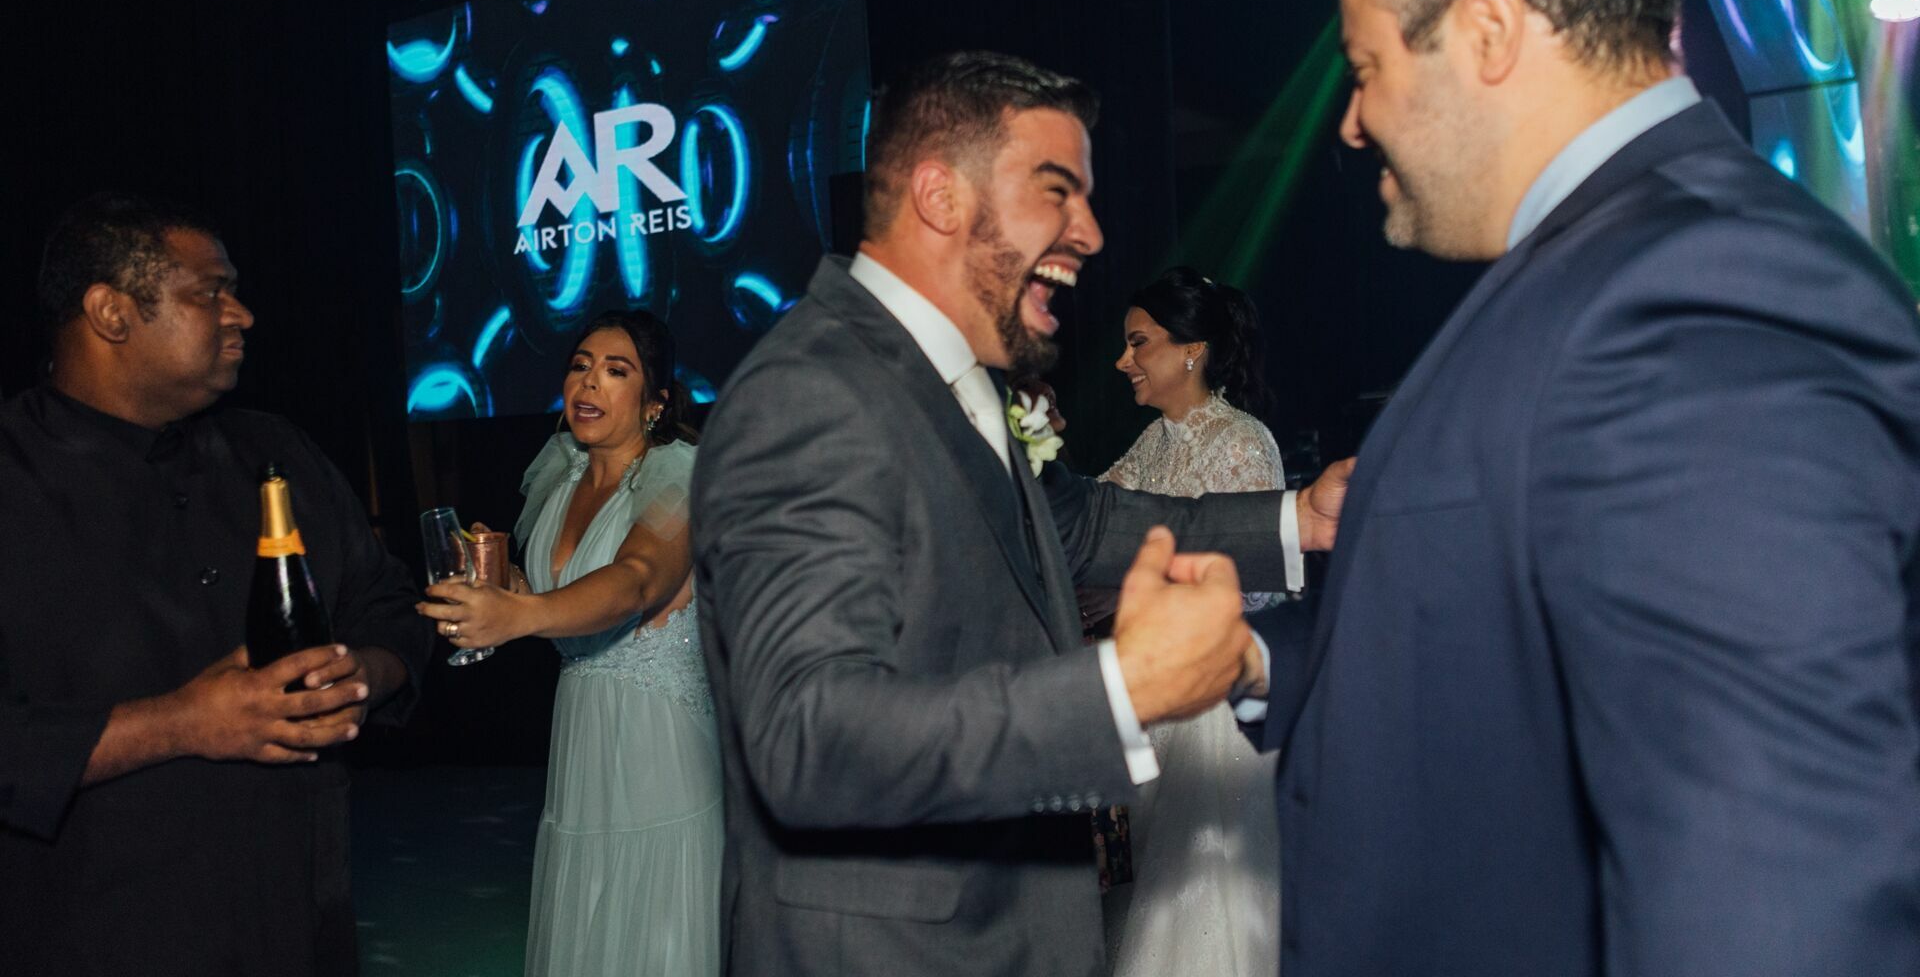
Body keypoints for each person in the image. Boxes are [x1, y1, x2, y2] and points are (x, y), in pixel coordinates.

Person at [1236, 0, 1920, 975]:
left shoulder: (1698, 290)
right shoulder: (1622, 260)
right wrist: (1261, 657)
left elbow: (1774, 888)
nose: (1351, 125)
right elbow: (1505, 617)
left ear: (1490, 32)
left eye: (1364, 71)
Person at [692, 50, 1349, 976]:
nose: (1088, 233)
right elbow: (809, 736)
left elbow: (1082, 527)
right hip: (894, 950)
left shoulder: (957, 383)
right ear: (941, 197)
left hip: (1005, 927)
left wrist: (1296, 520)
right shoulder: (812, 396)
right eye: (1057, 192)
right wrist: (1123, 690)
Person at [0, 192, 429, 975]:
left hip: (299, 932)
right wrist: (180, 723)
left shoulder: (275, 453)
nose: (242, 314)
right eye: (210, 292)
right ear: (111, 313)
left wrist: (364, 673)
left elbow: (391, 608)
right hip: (91, 940)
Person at [418, 309, 717, 977]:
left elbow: (637, 582)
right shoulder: (561, 472)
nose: (589, 383)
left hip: (659, 745)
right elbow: (559, 596)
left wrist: (518, 618)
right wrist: (505, 586)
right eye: (580, 365)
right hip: (581, 731)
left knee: (657, 931)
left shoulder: (680, 476)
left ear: (656, 402)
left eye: (617, 371)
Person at [1101, 266, 1283, 977]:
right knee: (1154, 881)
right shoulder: (1152, 446)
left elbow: (1257, 591)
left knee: (1203, 896)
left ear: (1191, 350)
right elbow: (1090, 522)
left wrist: (1146, 599)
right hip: (1156, 704)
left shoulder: (1244, 443)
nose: (1123, 362)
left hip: (1213, 711)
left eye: (1137, 343)